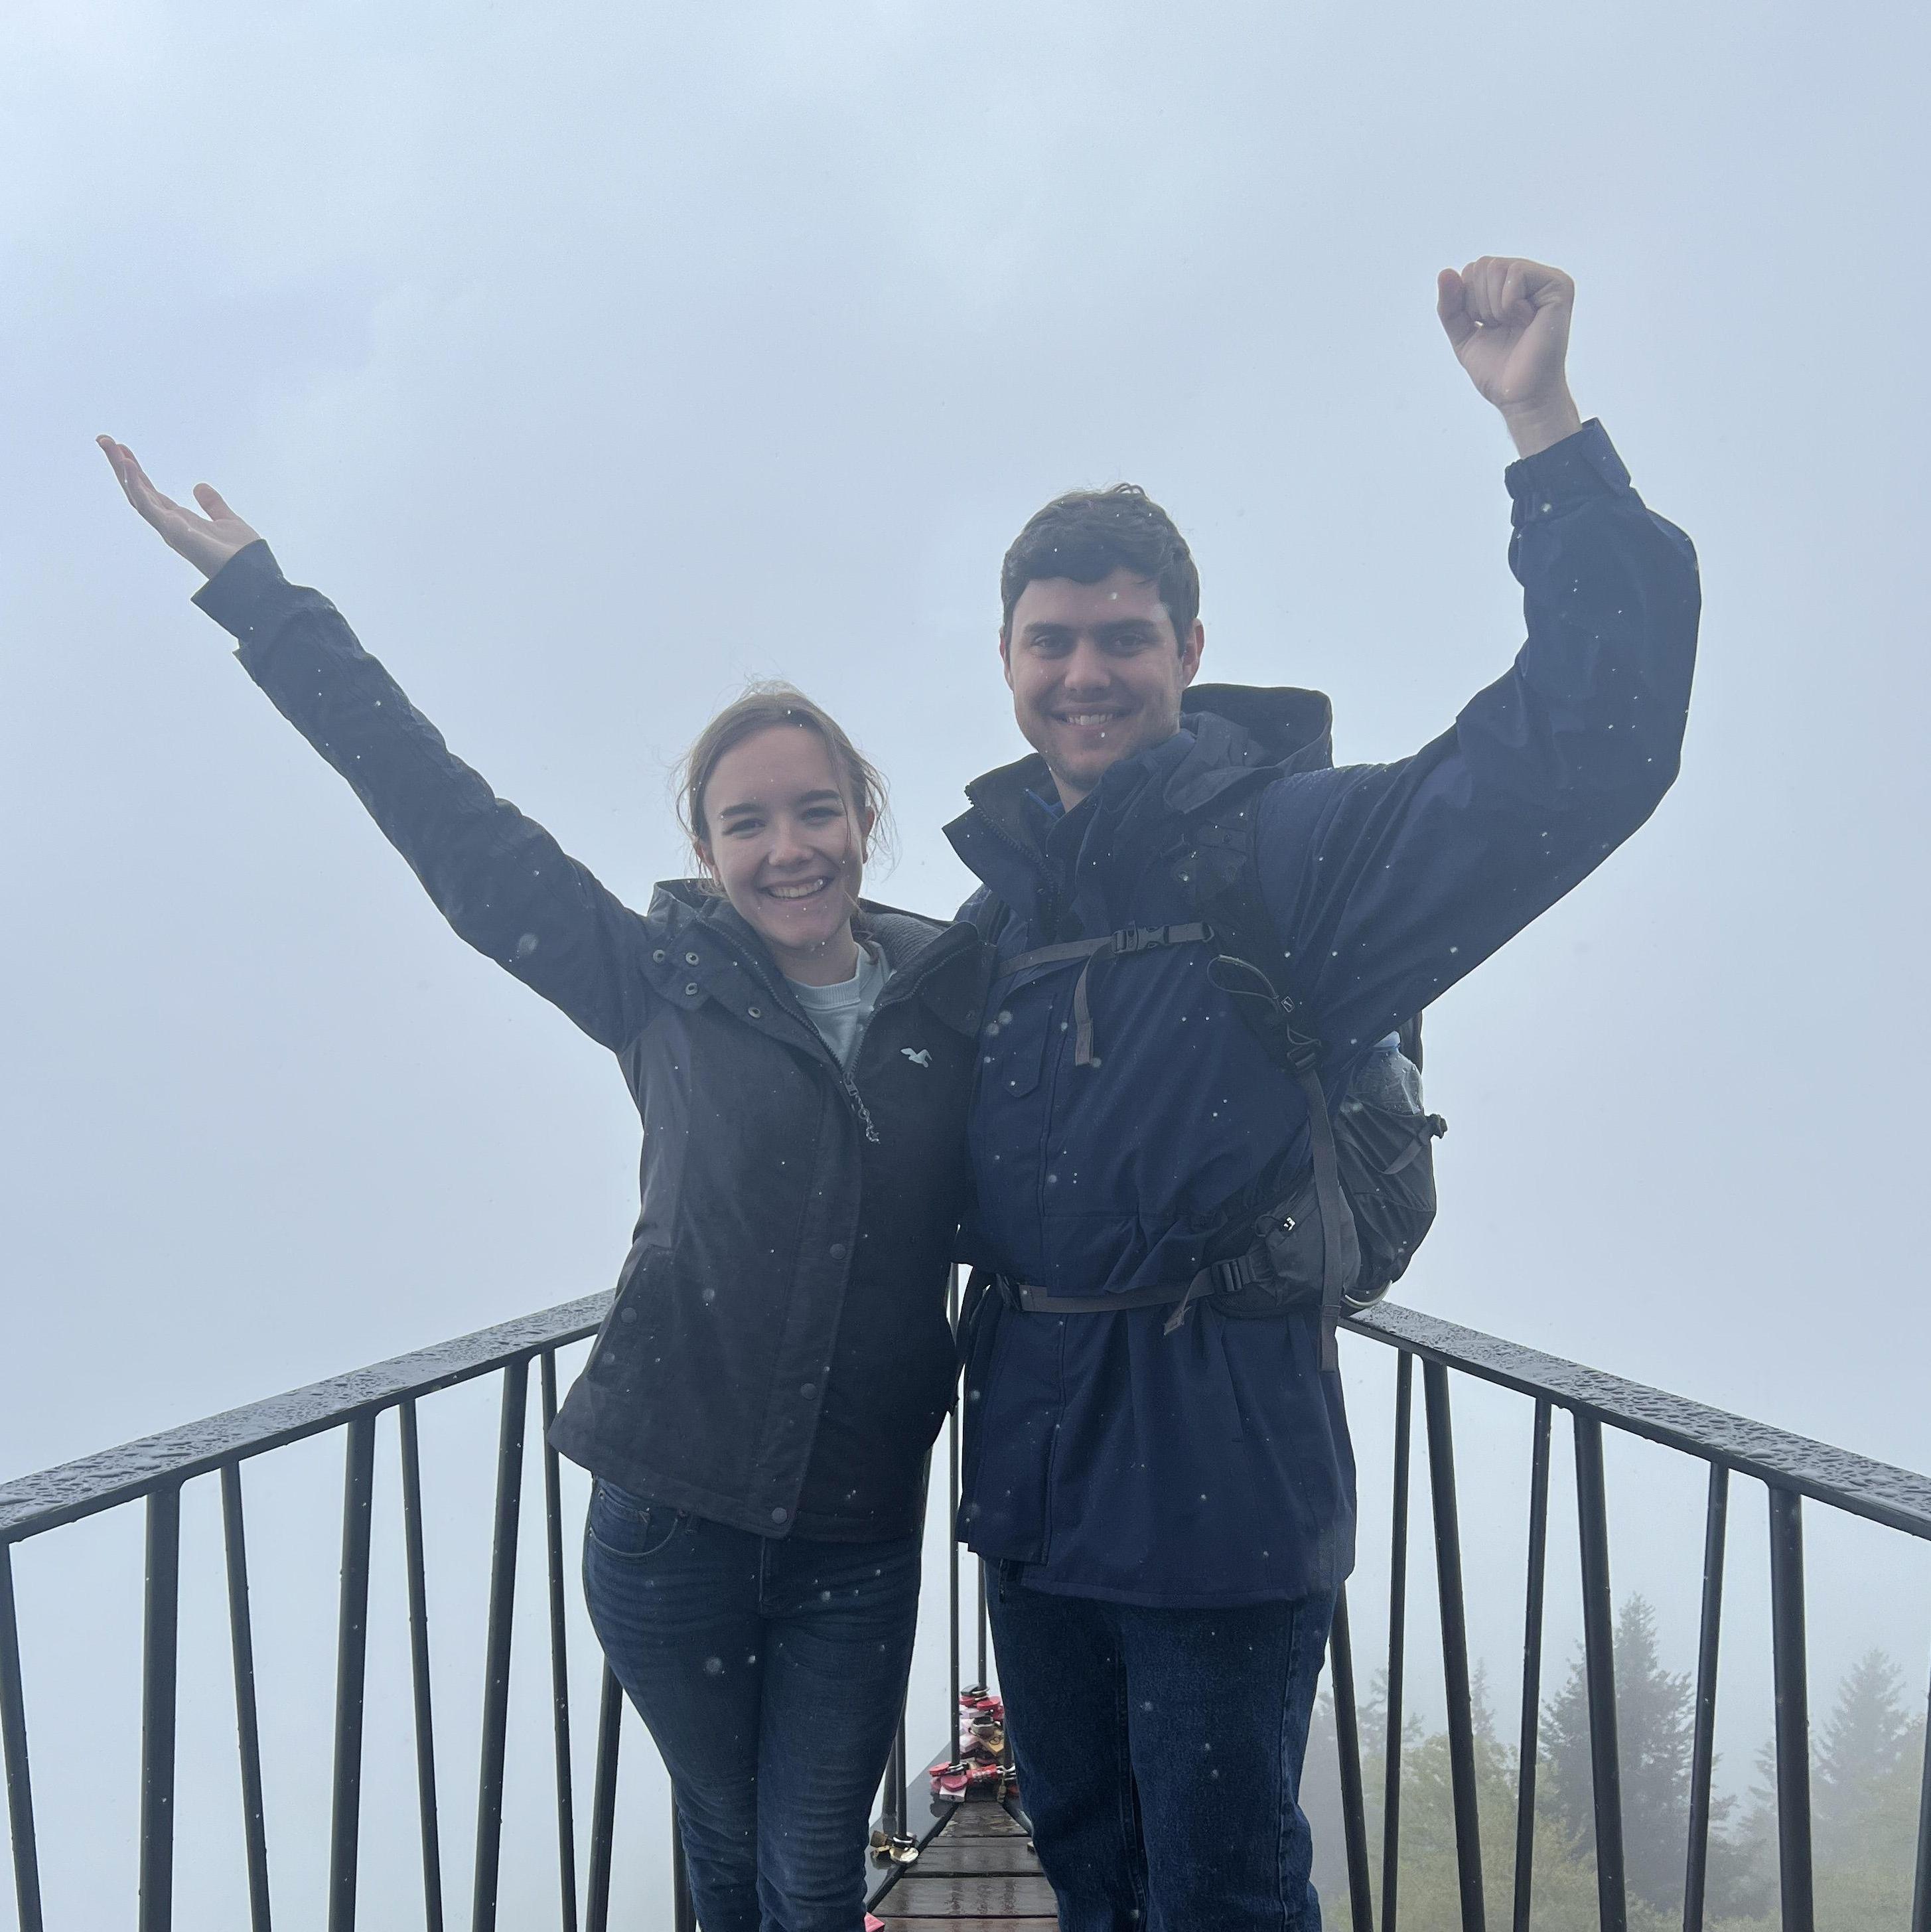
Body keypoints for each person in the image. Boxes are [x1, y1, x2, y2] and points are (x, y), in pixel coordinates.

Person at [98, 443, 985, 1932]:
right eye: (748, 822)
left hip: (854, 1530)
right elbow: (448, 820)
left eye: (816, 811)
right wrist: (265, 601)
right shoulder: (657, 979)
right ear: (704, 849)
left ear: (863, 818)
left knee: (811, 1866)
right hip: (669, 1520)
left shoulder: (952, 1003)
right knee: (727, 1848)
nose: (788, 849)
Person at [947, 257, 1701, 1928]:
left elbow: (1588, 744)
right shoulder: (998, 917)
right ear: (1005, 660)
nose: (1086, 672)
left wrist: (1543, 427)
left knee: (1221, 1895)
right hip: (1037, 1498)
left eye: (1124, 637)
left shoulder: (1291, 856)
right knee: (1092, 1872)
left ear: (1191, 649)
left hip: (1220, 1494)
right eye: (1052, 641)